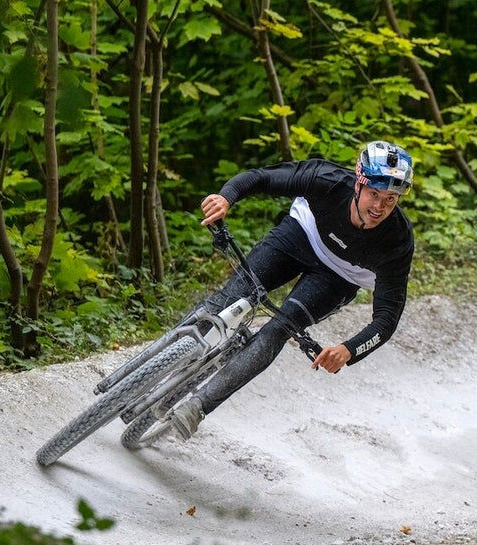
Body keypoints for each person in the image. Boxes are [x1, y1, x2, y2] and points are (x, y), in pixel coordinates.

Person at [169, 141, 415, 440]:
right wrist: (226, 197)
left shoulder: (397, 241)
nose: (379, 207)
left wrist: (349, 350)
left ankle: (197, 407)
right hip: (300, 235)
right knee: (229, 298)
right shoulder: (327, 179)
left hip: (340, 277)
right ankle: (162, 356)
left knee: (278, 329)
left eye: (390, 199)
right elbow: (261, 177)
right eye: (374, 194)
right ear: (358, 184)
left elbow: (387, 318)